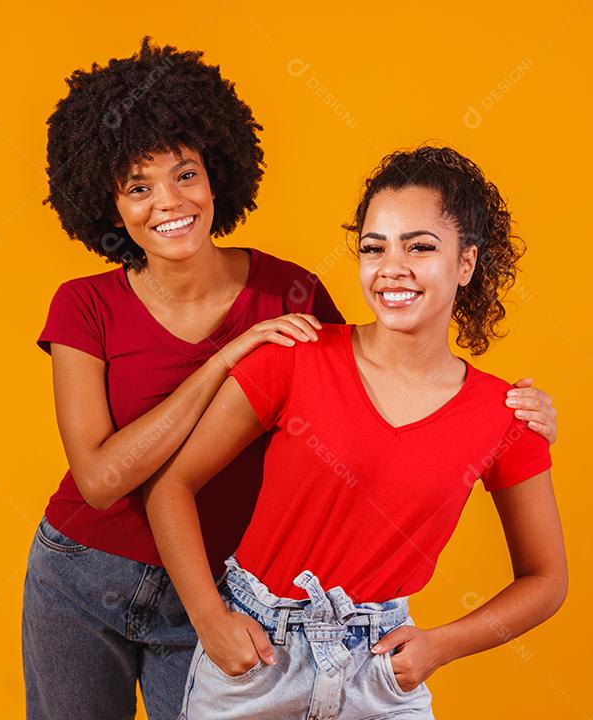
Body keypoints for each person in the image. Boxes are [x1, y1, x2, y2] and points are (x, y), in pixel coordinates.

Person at [24, 37, 559, 720]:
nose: (167, 201)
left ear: (218, 173)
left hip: (218, 587)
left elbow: (374, 378)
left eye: (185, 174)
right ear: (108, 202)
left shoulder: (292, 295)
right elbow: (101, 481)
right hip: (84, 571)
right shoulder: (85, 305)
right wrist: (223, 361)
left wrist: (513, 418)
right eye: (137, 186)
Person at [144, 145, 568, 719]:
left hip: (379, 672)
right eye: (375, 247)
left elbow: (546, 580)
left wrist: (441, 645)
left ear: (466, 264)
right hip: (255, 660)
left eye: (420, 246)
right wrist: (210, 620)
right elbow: (171, 486)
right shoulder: (296, 357)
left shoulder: (506, 414)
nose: (392, 266)